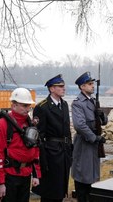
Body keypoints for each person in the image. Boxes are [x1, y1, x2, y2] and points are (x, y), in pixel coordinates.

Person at [0, 87, 41, 202]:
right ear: (13, 105)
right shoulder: (1, 125)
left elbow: (35, 150)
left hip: (26, 176)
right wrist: (0, 182)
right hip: (9, 176)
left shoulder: (30, 125)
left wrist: (36, 174)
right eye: (24, 105)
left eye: (28, 105)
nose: (28, 109)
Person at [32, 74, 72, 202]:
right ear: (51, 89)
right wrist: (43, 159)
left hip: (64, 152)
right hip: (51, 153)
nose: (63, 88)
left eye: (63, 86)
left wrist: (70, 150)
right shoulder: (42, 107)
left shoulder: (64, 104)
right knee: (50, 192)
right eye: (60, 86)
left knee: (61, 190)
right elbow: (39, 136)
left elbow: (67, 131)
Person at [71, 71, 108, 202]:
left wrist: (102, 115)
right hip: (85, 144)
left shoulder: (93, 101)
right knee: (82, 178)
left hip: (93, 146)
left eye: (92, 84)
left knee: (92, 179)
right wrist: (94, 138)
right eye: (89, 84)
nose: (92, 86)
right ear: (82, 87)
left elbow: (103, 121)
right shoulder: (78, 103)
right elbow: (80, 126)